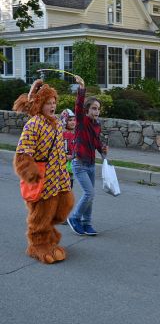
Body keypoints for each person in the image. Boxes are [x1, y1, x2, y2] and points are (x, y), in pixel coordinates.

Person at [13, 79, 74, 264]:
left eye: (54, 103)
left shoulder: (56, 123)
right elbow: (23, 153)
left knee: (64, 206)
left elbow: (58, 149)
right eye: (49, 103)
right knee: (42, 212)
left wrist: (64, 168)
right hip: (42, 177)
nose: (53, 106)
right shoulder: (34, 124)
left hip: (59, 176)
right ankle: (38, 244)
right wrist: (30, 172)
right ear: (40, 104)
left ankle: (48, 232)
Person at [67, 75, 108, 236]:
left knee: (91, 196)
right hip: (79, 163)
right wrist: (82, 87)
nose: (96, 111)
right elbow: (78, 105)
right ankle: (75, 218)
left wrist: (103, 149)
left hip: (91, 164)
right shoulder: (81, 121)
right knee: (89, 193)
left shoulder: (97, 125)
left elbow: (96, 142)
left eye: (98, 109)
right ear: (87, 110)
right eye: (93, 108)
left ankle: (87, 223)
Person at [60, 108, 76, 224]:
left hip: (71, 167)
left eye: (74, 120)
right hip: (61, 167)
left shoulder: (75, 135)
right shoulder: (61, 134)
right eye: (70, 120)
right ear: (65, 120)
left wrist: (74, 156)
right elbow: (56, 149)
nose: (73, 122)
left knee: (68, 190)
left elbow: (77, 149)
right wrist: (65, 157)